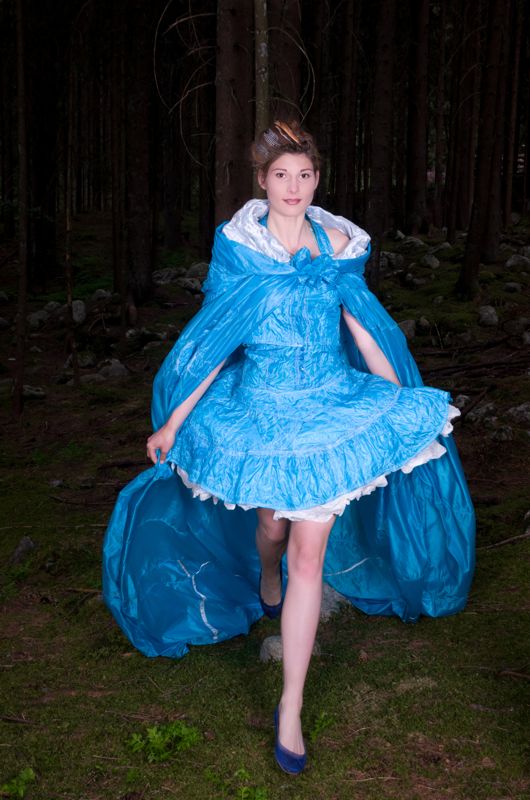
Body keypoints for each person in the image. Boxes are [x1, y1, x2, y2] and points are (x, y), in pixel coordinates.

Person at [103, 121, 475, 775]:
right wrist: (173, 423)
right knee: (272, 531)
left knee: (309, 555)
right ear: (261, 181)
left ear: (317, 179)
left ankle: (291, 705)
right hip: (261, 412)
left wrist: (401, 405)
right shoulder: (242, 251)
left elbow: (363, 327)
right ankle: (264, 572)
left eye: (304, 175)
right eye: (281, 176)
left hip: (329, 409)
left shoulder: (338, 246)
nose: (294, 187)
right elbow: (215, 342)